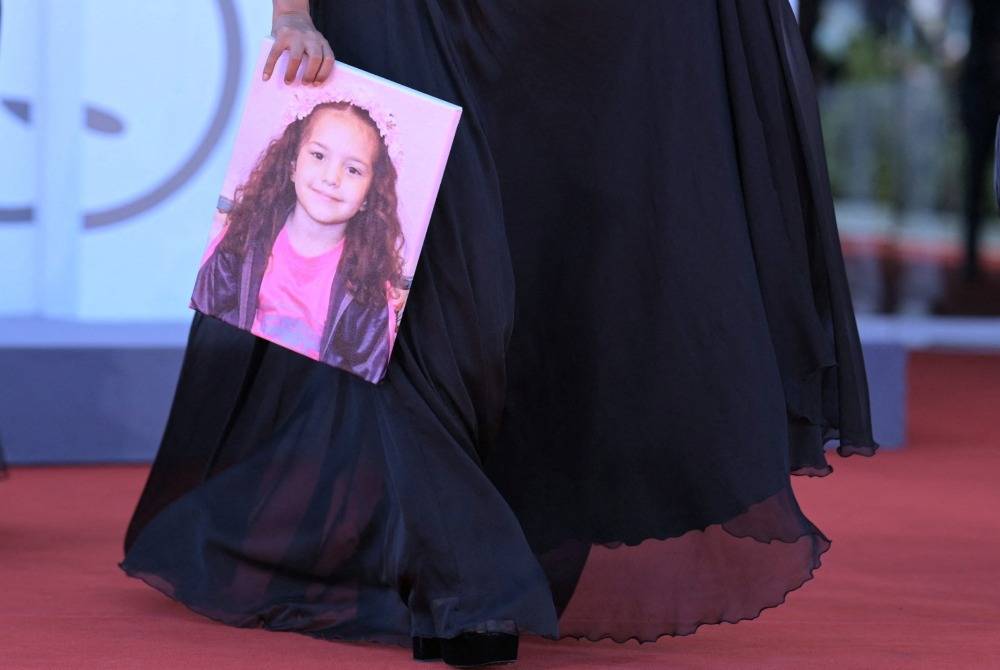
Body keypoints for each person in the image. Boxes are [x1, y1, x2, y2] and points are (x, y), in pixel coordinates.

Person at [121, 1, 880, 667]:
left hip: (539, 29)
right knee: (419, 283)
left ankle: (494, 541)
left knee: (529, 280)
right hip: (394, 15)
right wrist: (292, 11)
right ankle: (465, 580)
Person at [192, 97, 406, 382]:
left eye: (353, 169)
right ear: (292, 166)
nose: (332, 178)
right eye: (318, 155)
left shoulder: (369, 287)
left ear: (369, 196)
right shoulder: (243, 238)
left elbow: (366, 376)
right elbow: (202, 308)